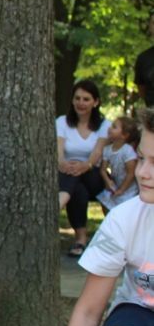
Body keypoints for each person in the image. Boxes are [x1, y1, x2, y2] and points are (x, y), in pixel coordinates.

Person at [42, 107, 154, 326]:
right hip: (142, 315)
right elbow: (89, 310)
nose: (143, 173)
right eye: (142, 158)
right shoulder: (124, 219)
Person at [57, 80, 110, 257]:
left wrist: (85, 165)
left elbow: (98, 152)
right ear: (72, 100)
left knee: (77, 177)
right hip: (68, 172)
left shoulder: (104, 125)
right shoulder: (62, 122)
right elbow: (59, 151)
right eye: (77, 98)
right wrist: (62, 163)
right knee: (77, 189)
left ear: (96, 102)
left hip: (94, 175)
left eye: (86, 99)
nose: (81, 103)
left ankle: (58, 204)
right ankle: (80, 240)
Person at [98, 116, 140, 212]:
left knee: (125, 211)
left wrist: (121, 190)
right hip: (116, 186)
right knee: (105, 203)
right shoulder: (107, 149)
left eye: (114, 127)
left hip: (129, 190)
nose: (110, 128)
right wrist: (108, 181)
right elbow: (103, 169)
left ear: (124, 135)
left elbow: (130, 174)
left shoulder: (127, 151)